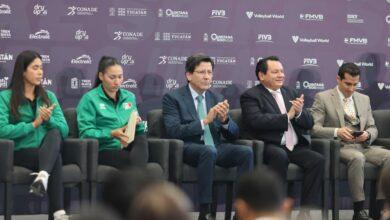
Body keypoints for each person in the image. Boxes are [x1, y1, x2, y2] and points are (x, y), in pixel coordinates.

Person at [162, 53, 253, 220]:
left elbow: (233, 134)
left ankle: (242, 210)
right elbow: (173, 130)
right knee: (208, 151)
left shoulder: (215, 97)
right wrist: (204, 121)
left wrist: (225, 120)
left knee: (245, 152)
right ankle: (206, 212)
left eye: (210, 72)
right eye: (202, 72)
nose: (207, 77)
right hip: (189, 147)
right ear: (189, 75)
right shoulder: (173, 98)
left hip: (216, 147)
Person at [240, 56, 324, 219]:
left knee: (317, 160)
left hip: (294, 146)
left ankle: (305, 211)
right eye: (275, 72)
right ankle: (274, 210)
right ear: (261, 75)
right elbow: (256, 121)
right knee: (280, 156)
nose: (281, 75)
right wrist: (288, 116)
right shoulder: (251, 95)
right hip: (268, 144)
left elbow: (309, 122)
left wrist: (299, 113)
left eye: (282, 71)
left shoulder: (290, 92)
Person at [311, 62, 390, 220]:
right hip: (340, 146)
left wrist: (367, 135)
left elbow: (372, 126)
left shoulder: (364, 99)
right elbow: (314, 128)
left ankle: (382, 207)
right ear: (338, 79)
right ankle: (359, 210)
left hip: (364, 145)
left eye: (355, 84)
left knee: (389, 157)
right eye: (347, 84)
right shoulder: (323, 97)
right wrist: (336, 132)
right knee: (357, 157)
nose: (351, 89)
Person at [0, 50, 69, 220]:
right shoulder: (5, 97)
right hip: (19, 152)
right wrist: (34, 124)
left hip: (45, 150)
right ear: (23, 71)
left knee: (54, 132)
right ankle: (58, 212)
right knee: (55, 159)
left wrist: (48, 120)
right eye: (35, 68)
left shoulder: (49, 97)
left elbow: (64, 130)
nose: (40, 72)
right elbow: (2, 129)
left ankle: (42, 176)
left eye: (41, 68)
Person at [77, 56, 148, 169]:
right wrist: (111, 133)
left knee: (141, 139)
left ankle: (138, 175)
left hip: (128, 144)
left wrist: (137, 124)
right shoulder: (89, 99)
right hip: (104, 149)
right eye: (112, 77)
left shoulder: (129, 96)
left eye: (120, 77)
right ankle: (140, 178)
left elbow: (139, 131)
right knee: (131, 160)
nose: (117, 82)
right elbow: (85, 133)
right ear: (101, 76)